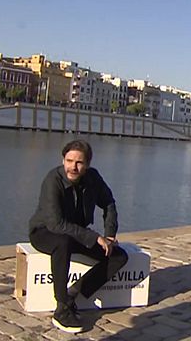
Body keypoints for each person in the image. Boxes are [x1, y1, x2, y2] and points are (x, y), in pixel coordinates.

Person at [29, 139, 128, 333]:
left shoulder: (93, 178)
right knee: (63, 243)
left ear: (88, 164)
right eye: (69, 160)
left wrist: (109, 235)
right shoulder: (53, 180)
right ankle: (61, 308)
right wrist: (93, 236)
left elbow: (109, 203)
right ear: (63, 160)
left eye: (79, 162)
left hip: (76, 234)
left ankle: (72, 294)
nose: (73, 167)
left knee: (118, 256)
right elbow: (56, 224)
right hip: (44, 232)